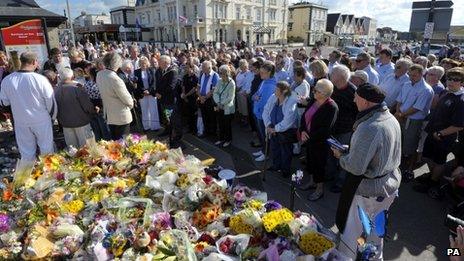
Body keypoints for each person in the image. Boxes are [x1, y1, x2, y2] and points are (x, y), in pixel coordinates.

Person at [332, 83, 401, 260]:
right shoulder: (389, 117)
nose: (354, 99)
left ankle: (345, 258)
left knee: (352, 233)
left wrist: (341, 156)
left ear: (365, 101)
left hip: (369, 191)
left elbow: (355, 168)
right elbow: (377, 151)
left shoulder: (369, 126)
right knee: (376, 231)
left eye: (356, 97)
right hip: (388, 185)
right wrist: (353, 149)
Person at [414, 68, 464, 196]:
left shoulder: (461, 101)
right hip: (432, 132)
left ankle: (433, 183)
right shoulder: (446, 92)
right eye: (449, 78)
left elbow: (459, 126)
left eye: (456, 80)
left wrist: (441, 133)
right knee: (427, 157)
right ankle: (431, 177)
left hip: (443, 137)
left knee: (439, 161)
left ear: (462, 82)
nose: (451, 81)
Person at [0, 52, 56, 161]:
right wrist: (52, 118)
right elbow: (51, 102)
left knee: (26, 153)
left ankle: (28, 176)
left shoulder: (8, 80)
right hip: (41, 119)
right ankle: (49, 176)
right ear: (34, 62)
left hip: (21, 121)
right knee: (47, 151)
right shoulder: (40, 79)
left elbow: (3, 103)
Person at [299, 79, 338, 201]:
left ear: (326, 94)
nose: (313, 91)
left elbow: (325, 129)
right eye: (314, 89)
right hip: (309, 140)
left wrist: (309, 137)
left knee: (319, 165)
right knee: (310, 162)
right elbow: (304, 117)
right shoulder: (313, 101)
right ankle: (312, 182)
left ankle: (319, 189)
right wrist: (303, 130)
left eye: (316, 90)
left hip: (320, 142)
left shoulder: (331, 107)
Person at [395, 64, 434, 181]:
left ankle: (409, 169)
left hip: (414, 120)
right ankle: (399, 166)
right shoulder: (406, 84)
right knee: (399, 142)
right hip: (401, 117)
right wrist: (398, 113)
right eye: (410, 75)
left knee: (411, 146)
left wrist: (402, 115)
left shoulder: (426, 89)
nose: (411, 77)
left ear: (422, 75)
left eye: (415, 76)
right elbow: (399, 100)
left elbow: (417, 108)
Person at [327, 65, 358, 193]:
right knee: (331, 153)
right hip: (333, 128)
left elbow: (358, 112)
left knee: (343, 155)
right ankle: (330, 174)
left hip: (346, 129)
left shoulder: (353, 91)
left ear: (340, 77)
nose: (330, 75)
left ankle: (340, 181)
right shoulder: (332, 88)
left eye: (333, 74)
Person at [262, 81, 298, 177]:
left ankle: (285, 170)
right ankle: (276, 165)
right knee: (275, 149)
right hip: (273, 129)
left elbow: (288, 121)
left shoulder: (291, 101)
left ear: (284, 91)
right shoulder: (273, 97)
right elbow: (266, 111)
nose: (275, 91)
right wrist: (268, 125)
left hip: (286, 132)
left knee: (286, 152)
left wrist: (275, 129)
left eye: (277, 89)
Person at [54, 68, 96, 148]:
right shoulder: (77, 88)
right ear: (72, 76)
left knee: (72, 149)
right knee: (88, 149)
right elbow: (87, 106)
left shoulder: (55, 90)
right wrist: (93, 112)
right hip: (82, 122)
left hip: (65, 123)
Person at [97, 52, 134, 140]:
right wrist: (131, 105)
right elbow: (127, 99)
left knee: (115, 143)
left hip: (109, 114)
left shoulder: (100, 74)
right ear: (117, 63)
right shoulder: (115, 79)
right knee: (123, 143)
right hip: (121, 115)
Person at [253, 61, 277, 162]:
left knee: (265, 136)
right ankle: (263, 150)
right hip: (259, 113)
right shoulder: (264, 81)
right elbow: (256, 95)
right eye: (261, 72)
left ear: (269, 73)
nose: (260, 74)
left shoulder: (270, 85)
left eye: (263, 72)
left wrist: (256, 98)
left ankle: (266, 154)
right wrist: (255, 97)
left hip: (263, 115)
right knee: (262, 135)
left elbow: (264, 103)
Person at [84, 66, 110, 141]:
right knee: (105, 131)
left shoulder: (86, 84)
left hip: (91, 108)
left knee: (97, 132)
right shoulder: (101, 83)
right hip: (101, 108)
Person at [155, 55, 179, 137]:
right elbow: (158, 84)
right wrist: (156, 93)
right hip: (162, 99)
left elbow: (171, 87)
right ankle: (167, 130)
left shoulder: (173, 71)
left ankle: (174, 134)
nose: (158, 63)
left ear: (165, 62)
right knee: (166, 117)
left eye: (160, 62)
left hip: (169, 100)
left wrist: (161, 94)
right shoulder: (160, 71)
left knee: (171, 117)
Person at [213, 65, 236, 147]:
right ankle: (221, 138)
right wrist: (218, 102)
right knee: (220, 123)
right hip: (219, 105)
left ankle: (228, 139)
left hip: (227, 107)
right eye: (220, 73)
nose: (221, 75)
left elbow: (230, 97)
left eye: (222, 74)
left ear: (227, 74)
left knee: (227, 124)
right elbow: (215, 92)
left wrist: (221, 103)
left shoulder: (232, 83)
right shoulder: (219, 81)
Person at [134, 56, 160, 132]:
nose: (143, 64)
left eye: (144, 63)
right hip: (142, 94)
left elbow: (153, 82)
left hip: (151, 93)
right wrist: (143, 91)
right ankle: (146, 127)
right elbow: (137, 84)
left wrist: (149, 91)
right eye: (141, 63)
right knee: (144, 110)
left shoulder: (151, 70)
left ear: (147, 63)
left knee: (153, 110)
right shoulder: (136, 72)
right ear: (139, 63)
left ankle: (155, 126)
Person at [197, 60, 219, 138]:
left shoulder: (215, 75)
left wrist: (205, 97)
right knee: (204, 116)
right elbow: (198, 86)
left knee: (212, 117)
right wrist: (200, 96)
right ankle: (206, 132)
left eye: (204, 67)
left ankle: (213, 133)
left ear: (209, 68)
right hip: (202, 99)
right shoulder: (202, 74)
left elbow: (213, 89)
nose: (202, 69)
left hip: (210, 99)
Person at [181, 63, 199, 134]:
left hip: (192, 98)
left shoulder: (195, 77)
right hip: (186, 98)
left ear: (192, 68)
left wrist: (186, 95)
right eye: (185, 68)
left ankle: (194, 129)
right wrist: (183, 94)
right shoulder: (185, 76)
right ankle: (189, 128)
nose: (186, 69)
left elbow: (194, 89)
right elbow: (183, 86)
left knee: (193, 114)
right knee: (188, 114)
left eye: (187, 67)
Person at [235, 59, 254, 126]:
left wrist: (241, 89)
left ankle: (246, 121)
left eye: (242, 64)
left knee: (244, 107)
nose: (241, 66)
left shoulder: (248, 73)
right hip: (239, 91)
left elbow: (246, 83)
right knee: (240, 107)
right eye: (240, 64)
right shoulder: (239, 72)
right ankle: (242, 119)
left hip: (244, 92)